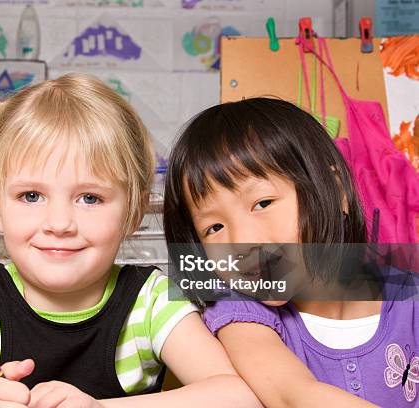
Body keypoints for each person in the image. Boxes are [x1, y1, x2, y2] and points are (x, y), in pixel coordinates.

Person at [0, 73, 260, 408]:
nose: (59, 223)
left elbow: (239, 396)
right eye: (31, 196)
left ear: (132, 212)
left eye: (90, 197)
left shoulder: (152, 300)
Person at [163, 97, 419, 407]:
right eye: (214, 228)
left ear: (337, 191)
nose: (242, 241)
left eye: (263, 203)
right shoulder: (240, 312)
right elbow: (292, 395)